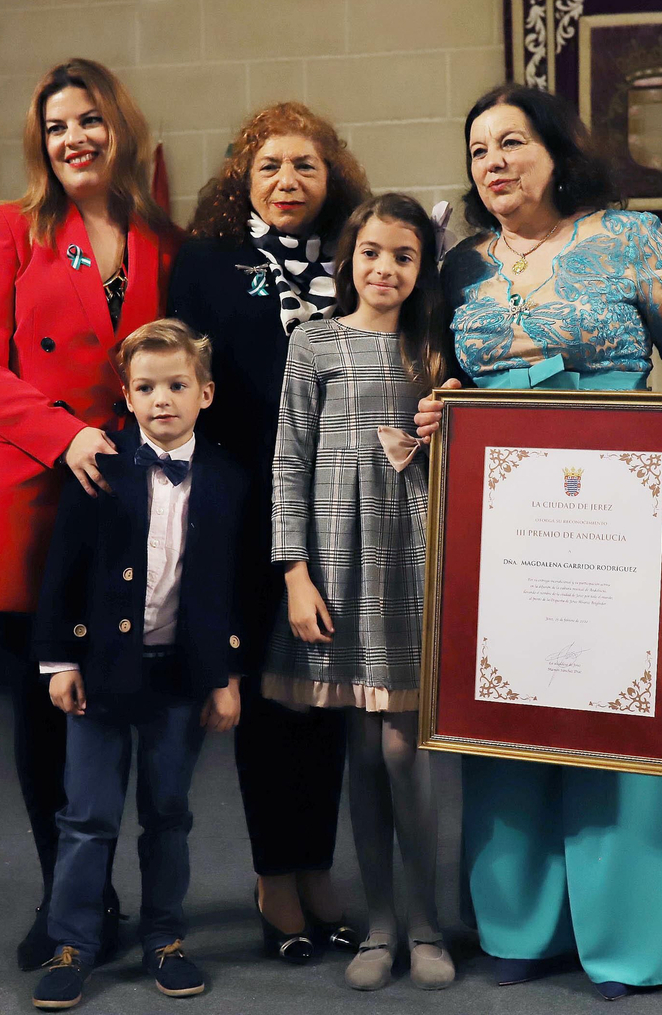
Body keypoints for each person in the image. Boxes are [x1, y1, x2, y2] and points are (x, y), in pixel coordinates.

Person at [414, 84, 662, 1001]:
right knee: (512, 709)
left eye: (512, 142)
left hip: (616, 506)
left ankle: (630, 936)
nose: (495, 162)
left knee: (615, 710)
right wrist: (432, 407)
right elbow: (436, 371)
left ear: (557, 150)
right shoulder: (460, 263)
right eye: (479, 149)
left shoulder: (629, 235)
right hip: (504, 513)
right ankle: (519, 927)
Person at [0, 58, 179, 970]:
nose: (73, 138)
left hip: (127, 492)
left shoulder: (166, 239)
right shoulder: (12, 228)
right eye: (56, 127)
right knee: (45, 707)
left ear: (120, 126)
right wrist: (62, 433)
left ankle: (132, 891)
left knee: (121, 696)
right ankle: (70, 895)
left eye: (88, 120)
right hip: (33, 487)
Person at [168, 102, 370, 962]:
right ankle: (272, 878)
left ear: (332, 178)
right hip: (250, 508)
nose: (288, 181)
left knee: (324, 700)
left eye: (306, 166)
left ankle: (318, 867)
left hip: (344, 507)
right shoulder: (208, 262)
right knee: (266, 704)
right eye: (270, 168)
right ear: (242, 180)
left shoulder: (357, 258)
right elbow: (182, 372)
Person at [267, 194, 457, 991]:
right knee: (360, 749)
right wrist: (295, 573)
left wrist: (446, 427)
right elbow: (289, 461)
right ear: (350, 258)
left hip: (410, 558)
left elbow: (469, 452)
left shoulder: (434, 348)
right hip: (339, 561)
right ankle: (377, 924)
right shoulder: (313, 342)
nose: (385, 268)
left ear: (422, 269)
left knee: (403, 749)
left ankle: (429, 923)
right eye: (372, 252)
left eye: (404, 256)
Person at [28, 319, 246, 1009]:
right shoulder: (100, 467)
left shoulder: (229, 481)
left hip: (180, 676)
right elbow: (60, 570)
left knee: (169, 811)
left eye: (177, 385)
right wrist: (60, 659)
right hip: (101, 671)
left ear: (205, 393)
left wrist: (225, 675)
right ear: (126, 394)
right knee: (87, 814)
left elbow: (232, 590)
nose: (162, 400)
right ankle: (73, 942)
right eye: (146, 387)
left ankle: (165, 938)